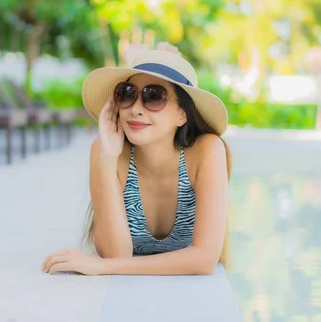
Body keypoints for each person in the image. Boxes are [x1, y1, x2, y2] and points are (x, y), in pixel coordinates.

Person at [42, 42, 232, 276]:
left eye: (154, 96)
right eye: (127, 94)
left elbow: (204, 260)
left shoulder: (206, 151)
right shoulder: (106, 151)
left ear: (182, 114)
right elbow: (117, 254)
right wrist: (108, 158)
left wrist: (101, 267)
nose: (136, 109)